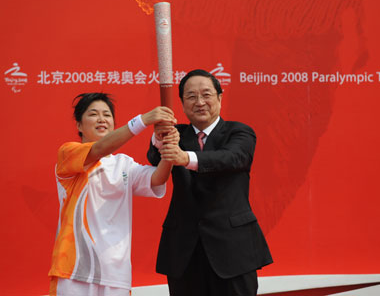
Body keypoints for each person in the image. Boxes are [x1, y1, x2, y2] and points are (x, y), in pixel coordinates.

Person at [148, 69, 273, 296]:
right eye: (191, 96)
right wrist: (159, 136)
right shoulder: (177, 134)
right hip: (185, 251)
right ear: (182, 103)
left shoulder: (239, 132)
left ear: (219, 97)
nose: (200, 102)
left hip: (232, 250)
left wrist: (185, 158)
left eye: (206, 94)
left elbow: (231, 158)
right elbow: (155, 158)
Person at [48, 92, 179, 296]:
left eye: (107, 115)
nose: (102, 119)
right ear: (79, 126)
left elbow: (157, 179)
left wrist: (168, 148)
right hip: (75, 270)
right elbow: (100, 148)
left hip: (116, 274)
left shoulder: (124, 164)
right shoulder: (69, 154)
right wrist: (142, 121)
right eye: (93, 114)